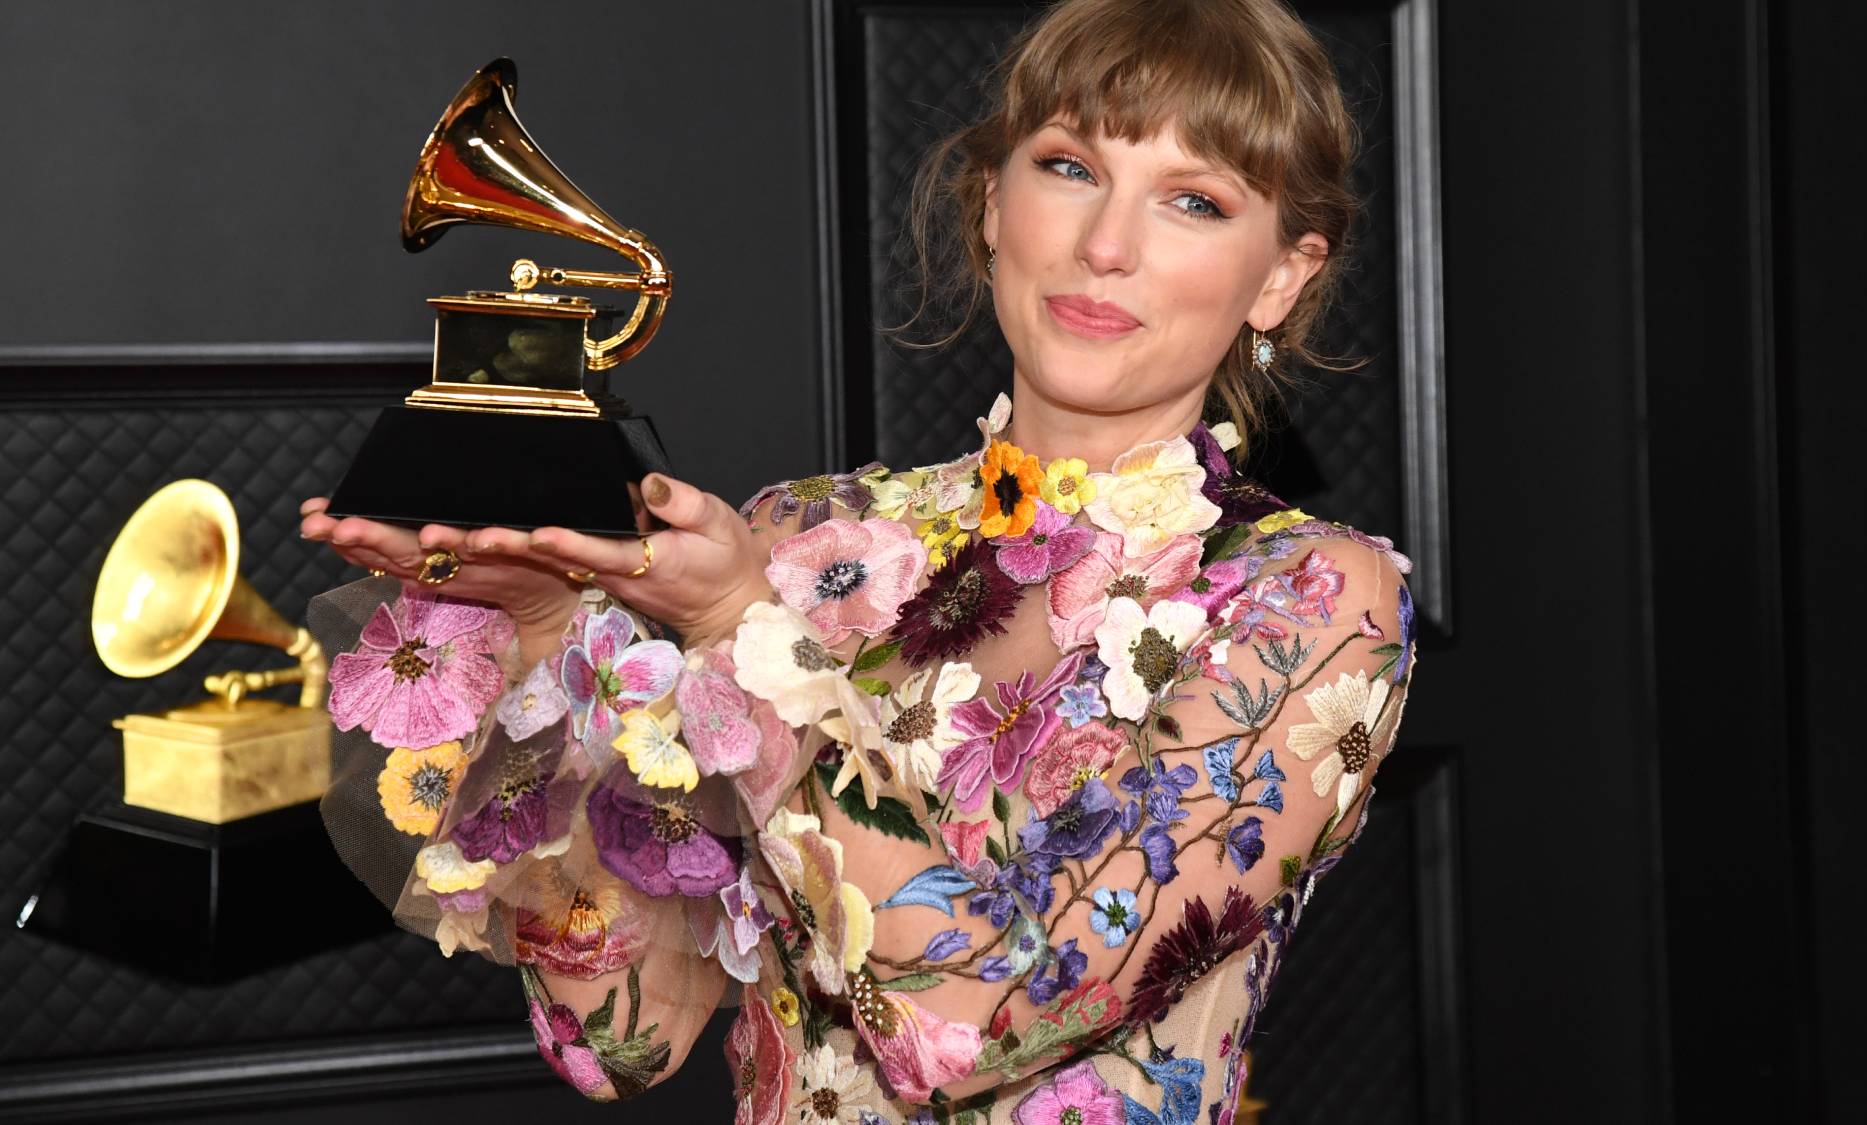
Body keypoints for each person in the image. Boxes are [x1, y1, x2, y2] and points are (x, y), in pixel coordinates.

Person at [299, 0, 1417, 1119]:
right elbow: (617, 1042)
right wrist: (543, 633)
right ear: (991, 206)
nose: (1104, 246)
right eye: (1069, 167)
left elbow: (982, 1026)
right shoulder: (802, 542)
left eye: (1192, 200)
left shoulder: (1308, 597)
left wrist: (740, 633)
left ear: (1279, 277)